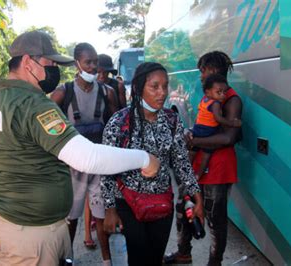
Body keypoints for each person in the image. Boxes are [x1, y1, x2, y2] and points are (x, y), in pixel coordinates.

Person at [0, 30, 161, 266]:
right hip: (31, 235)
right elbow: (87, 157)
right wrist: (144, 159)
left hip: (1, 224)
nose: (54, 71)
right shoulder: (33, 103)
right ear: (28, 62)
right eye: (49, 63)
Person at [101, 62, 204, 266]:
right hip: (129, 204)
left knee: (155, 259)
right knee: (139, 260)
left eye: (165, 86)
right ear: (139, 88)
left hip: (161, 203)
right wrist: (110, 209)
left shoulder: (172, 120)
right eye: (154, 86)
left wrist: (197, 198)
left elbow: (182, 163)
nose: (162, 93)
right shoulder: (119, 122)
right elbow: (106, 169)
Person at [164, 51, 243, 266]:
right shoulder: (210, 94)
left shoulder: (232, 99)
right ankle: (183, 253)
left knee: (215, 221)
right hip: (198, 164)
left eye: (203, 71)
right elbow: (204, 125)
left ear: (215, 71)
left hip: (218, 170)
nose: (200, 75)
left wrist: (195, 141)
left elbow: (228, 137)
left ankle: (214, 263)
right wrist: (190, 132)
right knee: (183, 208)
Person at [51, 42, 118, 265]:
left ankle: (107, 260)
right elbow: (47, 129)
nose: (93, 67)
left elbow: (116, 126)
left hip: (99, 165)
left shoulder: (107, 93)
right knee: (71, 218)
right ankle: (68, 258)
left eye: (95, 62)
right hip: (73, 167)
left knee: (100, 216)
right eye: (88, 62)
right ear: (77, 64)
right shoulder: (63, 92)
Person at [189, 73, 242, 179]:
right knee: (207, 153)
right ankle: (199, 174)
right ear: (208, 92)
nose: (223, 95)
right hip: (208, 131)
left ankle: (186, 172)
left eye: (224, 92)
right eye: (219, 92)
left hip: (198, 128)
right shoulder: (216, 104)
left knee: (192, 152)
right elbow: (218, 119)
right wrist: (232, 123)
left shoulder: (204, 100)